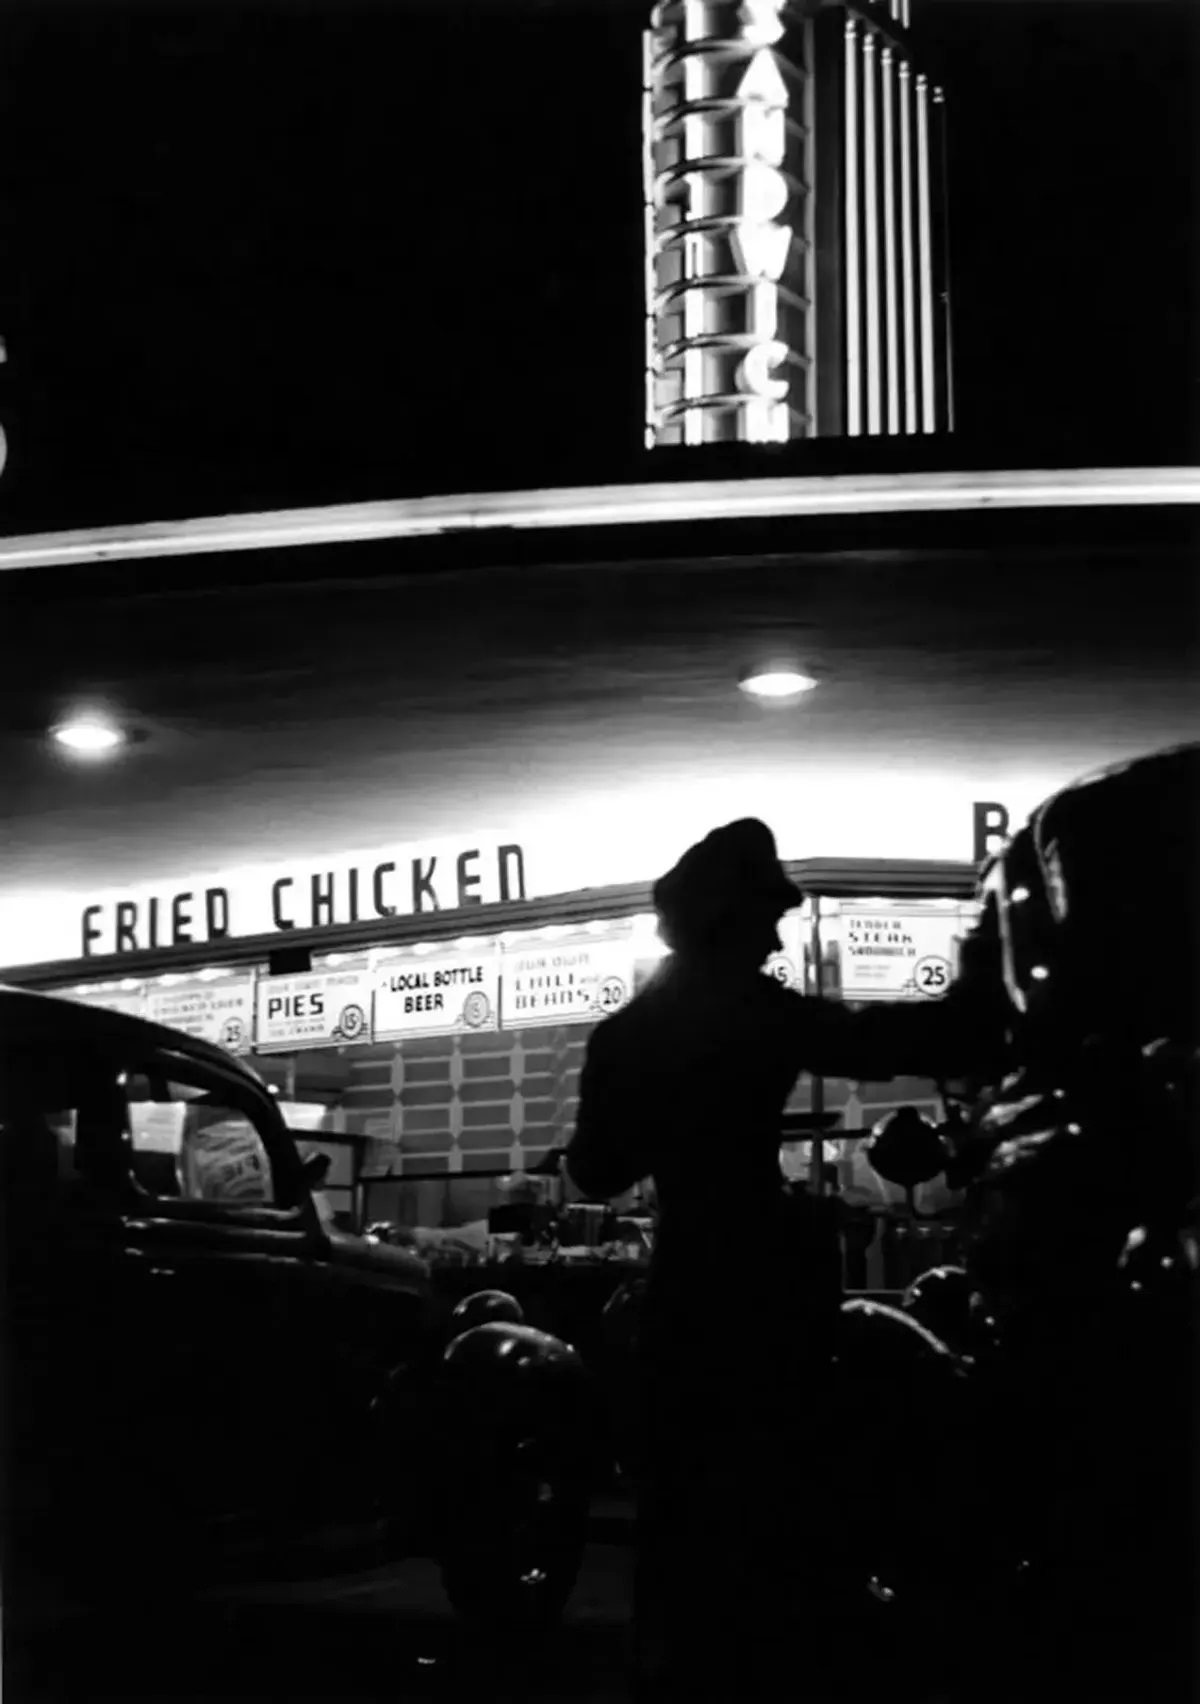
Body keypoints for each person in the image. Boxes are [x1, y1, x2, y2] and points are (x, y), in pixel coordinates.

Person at [564, 818, 1007, 1701]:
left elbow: (596, 1167)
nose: (774, 936)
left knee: (684, 1496)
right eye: (766, 918)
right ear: (730, 923)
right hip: (764, 1280)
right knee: (781, 1478)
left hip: (685, 1279)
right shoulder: (755, 1010)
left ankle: (679, 1659)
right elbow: (881, 1044)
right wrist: (986, 989)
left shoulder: (625, 1034)